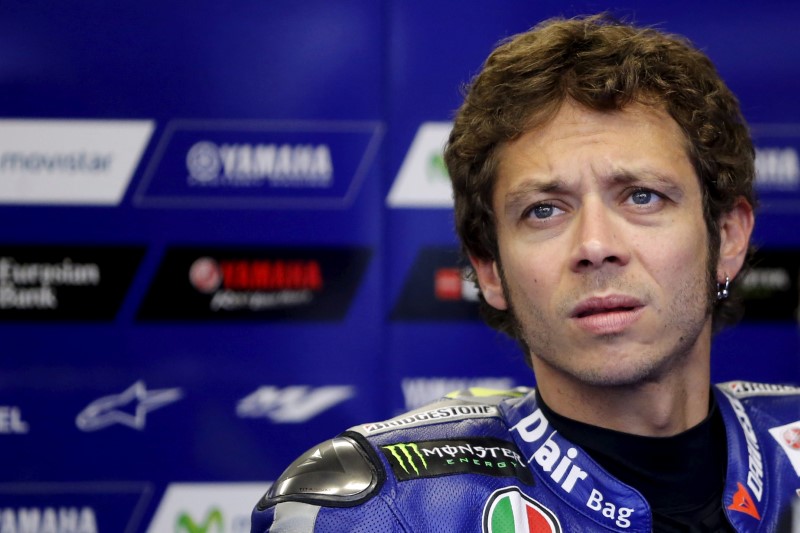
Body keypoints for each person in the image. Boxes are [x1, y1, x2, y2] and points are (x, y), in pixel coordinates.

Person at [251, 14, 800, 532]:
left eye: (641, 196)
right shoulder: (386, 511)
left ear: (727, 237)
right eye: (544, 209)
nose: (595, 245)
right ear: (490, 269)